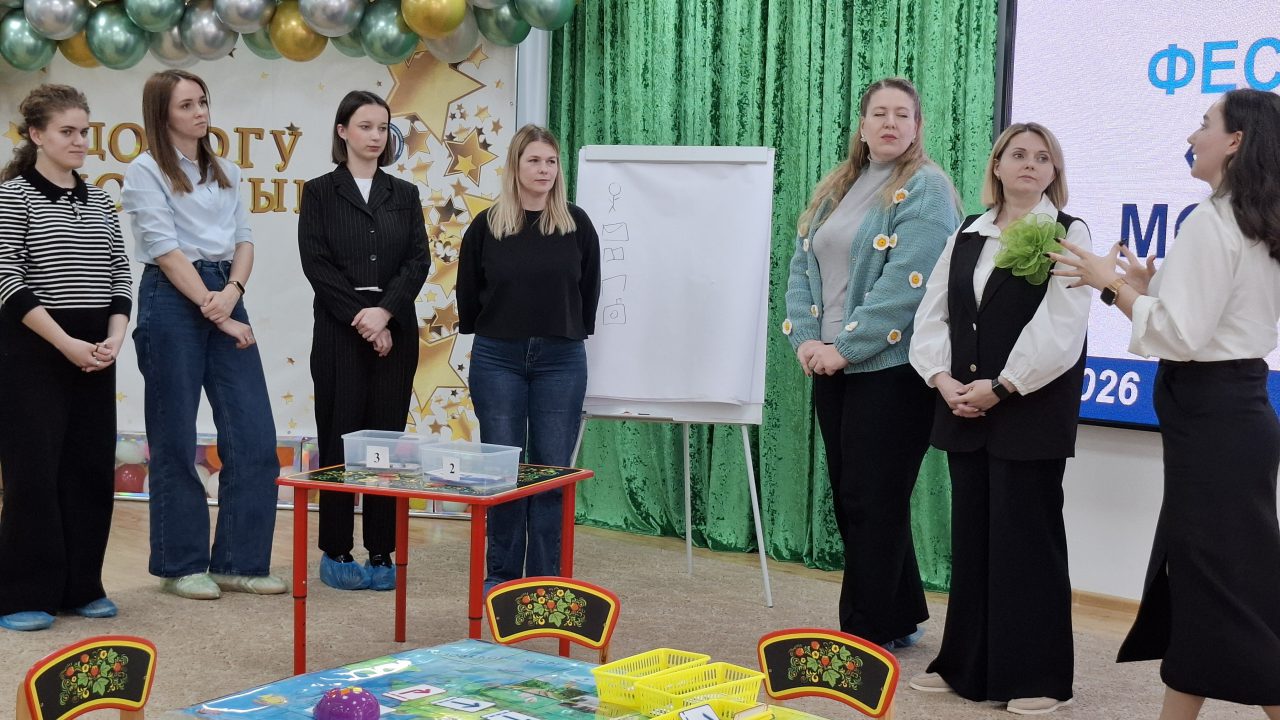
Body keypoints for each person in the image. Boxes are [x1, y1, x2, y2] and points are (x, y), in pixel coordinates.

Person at [1052, 88, 1280, 720]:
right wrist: (1152, 288)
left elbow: (1180, 336)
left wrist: (1110, 287)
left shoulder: (1214, 221)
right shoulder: (1253, 217)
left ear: (1235, 141)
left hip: (1214, 425)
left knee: (1225, 595)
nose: (1191, 135)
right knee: (1207, 587)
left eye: (1204, 123)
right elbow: (1217, 315)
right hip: (1234, 417)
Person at [907, 122, 1090, 715]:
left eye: (1043, 157)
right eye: (1019, 154)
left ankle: (1037, 678)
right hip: (963, 407)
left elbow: (1061, 328)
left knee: (1028, 545)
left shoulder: (1069, 231)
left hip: (1028, 413)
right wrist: (942, 379)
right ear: (998, 165)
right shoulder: (968, 231)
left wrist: (1003, 387)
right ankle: (965, 667)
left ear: (1054, 172)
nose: (1030, 164)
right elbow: (933, 313)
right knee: (974, 543)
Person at [782, 76, 961, 648]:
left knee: (872, 499)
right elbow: (802, 266)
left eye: (902, 114)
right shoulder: (839, 186)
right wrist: (806, 340)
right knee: (854, 496)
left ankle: (862, 634)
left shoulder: (928, 189)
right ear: (862, 126)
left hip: (892, 371)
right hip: (830, 364)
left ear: (917, 127)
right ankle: (898, 613)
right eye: (879, 113)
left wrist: (845, 349)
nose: (889, 123)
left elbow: (907, 285)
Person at [122, 70, 285, 600]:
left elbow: (244, 241)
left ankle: (239, 561)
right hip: (172, 296)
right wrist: (217, 311)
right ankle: (181, 564)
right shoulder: (145, 171)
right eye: (187, 105)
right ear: (163, 114)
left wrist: (232, 291)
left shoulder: (226, 170)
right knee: (174, 436)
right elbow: (166, 251)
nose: (200, 112)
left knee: (254, 434)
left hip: (224, 291)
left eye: (203, 101)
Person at [0, 85, 132, 631]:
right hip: (34, 347)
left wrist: (114, 337)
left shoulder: (99, 200)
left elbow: (120, 275)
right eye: (68, 132)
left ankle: (82, 586)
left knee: (89, 468)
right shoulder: (13, 197)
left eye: (84, 131)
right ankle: (23, 593)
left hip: (96, 348)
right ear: (37, 135)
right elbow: (7, 280)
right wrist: (65, 343)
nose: (80, 141)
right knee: (33, 471)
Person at [457, 124, 600, 590]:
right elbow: (468, 293)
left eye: (551, 161)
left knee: (551, 472)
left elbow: (589, 290)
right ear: (515, 166)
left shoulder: (577, 225)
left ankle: (543, 582)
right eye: (534, 160)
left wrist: (566, 329)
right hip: (497, 358)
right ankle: (500, 577)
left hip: (561, 360)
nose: (544, 170)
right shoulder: (487, 226)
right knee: (502, 470)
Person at [298, 90, 430, 591]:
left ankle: (381, 551)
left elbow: (417, 260)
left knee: (385, 444)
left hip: (395, 330)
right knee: (338, 437)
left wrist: (385, 313)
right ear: (343, 131)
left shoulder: (404, 194)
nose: (376, 136)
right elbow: (316, 263)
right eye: (365, 126)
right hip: (339, 330)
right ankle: (335, 549)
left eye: (382, 127)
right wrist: (363, 319)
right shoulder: (320, 192)